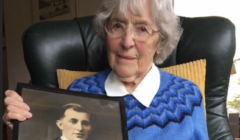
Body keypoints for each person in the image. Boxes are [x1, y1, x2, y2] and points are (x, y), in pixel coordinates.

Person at [3, 0, 209, 139]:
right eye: (118, 26)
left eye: (142, 29)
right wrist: (22, 128)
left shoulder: (188, 96)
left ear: (160, 42)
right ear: (105, 32)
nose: (127, 41)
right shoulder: (79, 91)